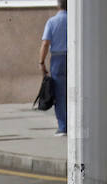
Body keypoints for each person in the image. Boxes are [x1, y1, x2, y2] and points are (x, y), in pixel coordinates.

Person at [39, 0, 67, 136]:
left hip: (58, 59)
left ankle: (63, 126)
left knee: (60, 94)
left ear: (58, 5)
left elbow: (45, 43)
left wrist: (41, 62)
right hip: (73, 57)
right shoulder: (74, 20)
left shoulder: (52, 22)